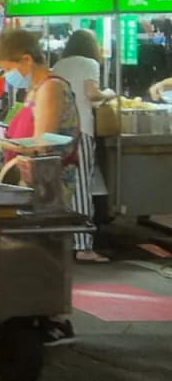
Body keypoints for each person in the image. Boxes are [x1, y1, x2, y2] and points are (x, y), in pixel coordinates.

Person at [0, 29, 81, 346]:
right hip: (26, 180)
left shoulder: (51, 88)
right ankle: (12, 311)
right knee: (19, 250)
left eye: (8, 68)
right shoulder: (35, 90)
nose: (7, 75)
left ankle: (53, 319)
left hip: (47, 183)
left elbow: (42, 144)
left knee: (42, 250)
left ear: (26, 59)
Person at [53, 30, 116, 263]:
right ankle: (82, 245)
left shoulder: (59, 65)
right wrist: (108, 93)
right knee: (81, 186)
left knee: (64, 186)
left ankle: (62, 240)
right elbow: (92, 94)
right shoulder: (89, 64)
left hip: (58, 131)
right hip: (81, 130)